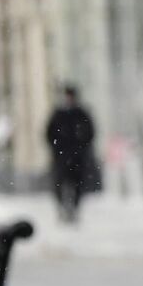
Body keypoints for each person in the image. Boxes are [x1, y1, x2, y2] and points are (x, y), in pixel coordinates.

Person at [45, 85, 98, 223]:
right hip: (61, 156)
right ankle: (62, 207)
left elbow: (90, 132)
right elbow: (49, 133)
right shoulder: (58, 114)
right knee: (59, 182)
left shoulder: (81, 113)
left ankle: (74, 208)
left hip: (77, 156)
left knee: (77, 183)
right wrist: (56, 147)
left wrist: (82, 146)